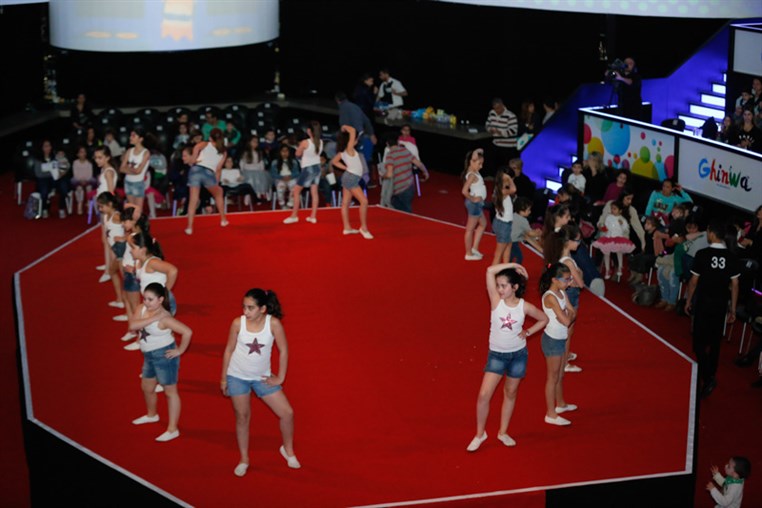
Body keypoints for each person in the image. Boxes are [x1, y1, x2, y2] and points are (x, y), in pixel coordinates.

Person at [466, 264, 548, 452]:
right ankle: (480, 434)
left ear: (515, 287)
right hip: (497, 355)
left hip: (518, 356)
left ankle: (503, 432)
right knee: (484, 395)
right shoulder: (496, 301)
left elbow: (544, 319)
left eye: (503, 286)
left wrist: (528, 332)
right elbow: (489, 270)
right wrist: (514, 265)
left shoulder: (524, 307)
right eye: (498, 285)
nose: (499, 289)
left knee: (510, 393)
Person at [221, 288, 300, 476]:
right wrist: (224, 377)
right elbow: (228, 350)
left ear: (263, 309)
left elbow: (284, 350)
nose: (245, 311)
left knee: (287, 413)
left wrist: (280, 377)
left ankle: (288, 450)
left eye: (250, 308)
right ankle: (244, 459)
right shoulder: (237, 323)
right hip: (237, 376)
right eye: (244, 307)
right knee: (242, 417)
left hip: (261, 377)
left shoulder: (273, 324)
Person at [128, 282, 192, 442]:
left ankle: (173, 429)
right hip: (148, 356)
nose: (146, 302)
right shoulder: (142, 309)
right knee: (147, 387)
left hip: (164, 356)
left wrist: (180, 351)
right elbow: (132, 326)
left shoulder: (165, 318)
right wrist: (153, 318)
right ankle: (152, 415)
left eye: (150, 299)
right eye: (145, 298)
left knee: (170, 392)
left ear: (160, 300)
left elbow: (187, 332)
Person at [684, 220, 741, 399]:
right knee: (715, 342)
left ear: (711, 234)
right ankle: (710, 374)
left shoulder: (702, 254)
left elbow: (693, 282)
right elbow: (735, 285)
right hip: (720, 303)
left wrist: (688, 300)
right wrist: (733, 308)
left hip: (704, 302)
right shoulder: (732, 257)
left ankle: (707, 376)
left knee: (698, 343)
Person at [539, 263, 578, 426]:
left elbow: (572, 314)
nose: (570, 282)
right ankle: (550, 414)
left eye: (570, 279)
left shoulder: (562, 292)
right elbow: (567, 320)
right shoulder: (550, 297)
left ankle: (560, 404)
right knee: (552, 377)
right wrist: (567, 316)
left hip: (560, 338)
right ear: (555, 280)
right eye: (567, 279)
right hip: (552, 341)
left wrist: (567, 315)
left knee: (560, 374)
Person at [544, 224, 585, 373]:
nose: (579, 244)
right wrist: (579, 274)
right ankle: (564, 361)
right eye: (577, 241)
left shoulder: (561, 255)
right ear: (568, 242)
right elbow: (581, 283)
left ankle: (565, 354)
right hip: (571, 295)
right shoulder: (568, 261)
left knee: (567, 330)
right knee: (567, 330)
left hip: (566, 293)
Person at [184, 128, 229, 235]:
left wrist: (193, 159)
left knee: (193, 199)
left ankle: (189, 227)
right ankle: (223, 220)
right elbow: (218, 169)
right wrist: (216, 183)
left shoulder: (205, 144)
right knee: (219, 193)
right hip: (208, 173)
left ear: (210, 138)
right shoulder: (223, 152)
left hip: (196, 169)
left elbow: (196, 147)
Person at [331, 125, 373, 239]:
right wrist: (344, 127)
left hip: (348, 176)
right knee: (364, 201)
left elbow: (334, 162)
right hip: (351, 178)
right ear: (350, 140)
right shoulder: (349, 149)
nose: (357, 140)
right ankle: (363, 228)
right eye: (355, 138)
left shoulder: (344, 151)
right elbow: (353, 130)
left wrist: (346, 168)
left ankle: (347, 228)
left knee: (345, 203)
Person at [284, 121, 323, 224]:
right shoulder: (321, 142)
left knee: (296, 191)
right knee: (314, 192)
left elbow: (297, 154)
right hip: (317, 167)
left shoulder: (305, 142)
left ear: (309, 131)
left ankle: (294, 216)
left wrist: (301, 154)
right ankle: (313, 216)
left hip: (308, 169)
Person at [97, 192, 126, 318]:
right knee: (112, 271)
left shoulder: (117, 216)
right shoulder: (106, 216)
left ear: (110, 204)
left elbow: (130, 227)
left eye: (102, 206)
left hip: (121, 249)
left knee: (125, 277)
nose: (100, 209)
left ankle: (127, 305)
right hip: (114, 248)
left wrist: (124, 238)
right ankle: (120, 300)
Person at [382, 135, 429, 213]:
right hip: (410, 186)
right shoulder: (405, 151)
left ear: (387, 144)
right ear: (397, 142)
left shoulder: (390, 155)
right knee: (406, 209)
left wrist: (383, 175)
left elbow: (389, 174)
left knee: (401, 211)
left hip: (398, 189)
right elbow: (418, 163)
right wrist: (425, 172)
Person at [592, 200, 636, 281]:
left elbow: (625, 229)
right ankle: (607, 270)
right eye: (612, 208)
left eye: (615, 209)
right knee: (606, 253)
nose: (612, 210)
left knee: (619, 251)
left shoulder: (622, 219)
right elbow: (606, 227)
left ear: (620, 211)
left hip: (618, 238)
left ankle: (620, 267)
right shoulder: (609, 217)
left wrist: (622, 224)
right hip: (609, 237)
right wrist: (603, 228)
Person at [33, 140, 71, 219]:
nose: (48, 148)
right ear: (42, 148)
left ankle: (61, 208)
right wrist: (51, 172)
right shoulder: (38, 159)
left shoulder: (55, 156)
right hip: (43, 179)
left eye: (49, 146)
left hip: (56, 178)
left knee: (64, 187)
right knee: (44, 190)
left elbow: (65, 166)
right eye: (45, 146)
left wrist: (61, 172)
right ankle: (44, 208)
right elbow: (38, 173)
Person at [462, 148, 487, 261]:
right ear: (472, 161)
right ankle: (468, 254)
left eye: (482, 163)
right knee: (470, 230)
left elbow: (477, 152)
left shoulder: (473, 170)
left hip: (477, 204)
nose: (481, 166)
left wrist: (478, 151)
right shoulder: (472, 175)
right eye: (479, 163)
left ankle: (475, 248)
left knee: (483, 224)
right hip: (474, 205)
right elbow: (464, 191)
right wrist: (473, 198)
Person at [119, 129, 151, 216]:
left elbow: (138, 171)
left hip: (138, 183)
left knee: (138, 210)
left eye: (133, 136)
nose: (130, 137)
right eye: (131, 135)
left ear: (140, 139)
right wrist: (132, 169)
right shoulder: (129, 151)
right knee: (131, 209)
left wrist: (128, 168)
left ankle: (140, 224)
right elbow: (121, 168)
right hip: (128, 182)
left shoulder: (145, 153)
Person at [491, 167, 516, 265]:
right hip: (503, 225)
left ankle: (505, 267)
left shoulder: (498, 188)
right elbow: (514, 189)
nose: (512, 181)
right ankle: (493, 272)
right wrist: (509, 179)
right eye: (511, 179)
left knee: (508, 245)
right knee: (498, 253)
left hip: (502, 223)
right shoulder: (502, 190)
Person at [485, 98, 518, 171]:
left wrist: (500, 132)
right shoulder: (492, 113)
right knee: (495, 167)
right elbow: (487, 125)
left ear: (502, 105)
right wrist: (490, 129)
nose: (497, 110)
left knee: (506, 168)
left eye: (498, 108)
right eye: (495, 108)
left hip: (508, 146)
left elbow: (513, 131)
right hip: (496, 144)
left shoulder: (511, 115)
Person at [509, 197, 542, 263]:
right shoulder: (523, 220)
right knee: (519, 257)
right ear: (522, 211)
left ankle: (509, 262)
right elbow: (530, 233)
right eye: (528, 210)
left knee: (511, 254)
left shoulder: (513, 215)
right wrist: (538, 233)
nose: (530, 212)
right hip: (513, 241)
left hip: (508, 238)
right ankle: (515, 266)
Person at [240, 135, 270, 202]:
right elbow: (242, 163)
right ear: (249, 142)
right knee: (250, 181)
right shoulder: (245, 153)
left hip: (258, 171)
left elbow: (261, 163)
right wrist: (242, 171)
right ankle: (248, 196)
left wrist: (261, 170)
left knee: (260, 179)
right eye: (253, 142)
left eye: (257, 142)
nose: (255, 143)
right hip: (248, 172)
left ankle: (259, 195)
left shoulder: (259, 152)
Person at [269, 145, 300, 210]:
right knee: (280, 187)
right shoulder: (275, 162)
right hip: (280, 178)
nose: (285, 153)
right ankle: (282, 204)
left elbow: (297, 173)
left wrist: (290, 176)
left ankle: (290, 204)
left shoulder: (294, 162)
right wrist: (281, 177)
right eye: (283, 151)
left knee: (294, 187)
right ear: (279, 152)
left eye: (286, 151)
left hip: (291, 178)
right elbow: (273, 174)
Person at [70, 146, 95, 215]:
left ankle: (89, 204)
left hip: (87, 179)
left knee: (89, 187)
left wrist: (85, 180)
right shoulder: (75, 162)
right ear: (77, 154)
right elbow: (75, 174)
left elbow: (90, 174)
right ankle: (80, 205)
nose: (83, 154)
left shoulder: (89, 163)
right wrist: (80, 180)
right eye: (81, 152)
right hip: (78, 180)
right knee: (79, 188)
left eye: (84, 152)